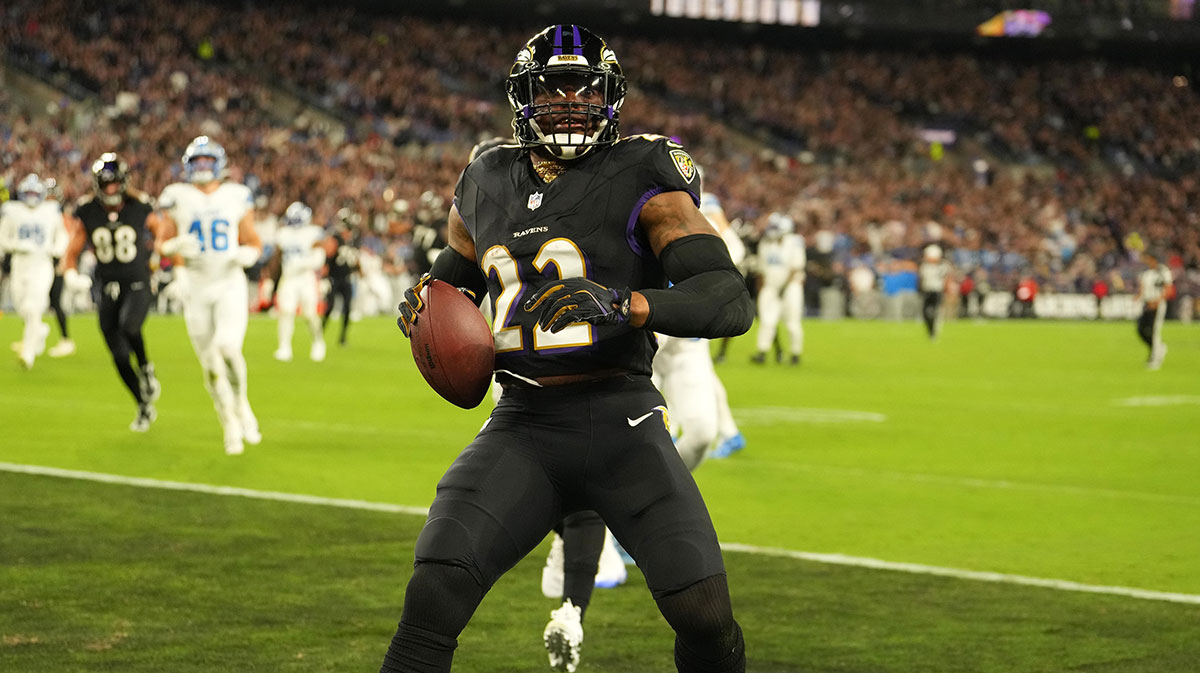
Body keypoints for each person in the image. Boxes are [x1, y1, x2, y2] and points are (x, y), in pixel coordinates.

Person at [385, 25, 752, 673]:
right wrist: (422, 304)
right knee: (433, 590)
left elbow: (727, 298)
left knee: (705, 617)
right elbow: (450, 281)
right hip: (523, 426)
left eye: (585, 90)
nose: (570, 102)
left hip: (623, 420)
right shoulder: (485, 178)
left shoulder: (644, 170)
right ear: (525, 97)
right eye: (553, 89)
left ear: (610, 98)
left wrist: (629, 303)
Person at [156, 136, 263, 455]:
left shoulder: (236, 195)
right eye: (197, 161)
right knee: (210, 365)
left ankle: (242, 403)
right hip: (196, 285)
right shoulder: (177, 196)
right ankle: (228, 424)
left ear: (219, 164)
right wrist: (172, 254)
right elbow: (162, 242)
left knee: (228, 347)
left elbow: (253, 241)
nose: (202, 167)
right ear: (188, 165)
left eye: (207, 161)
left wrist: (249, 255)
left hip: (228, 281)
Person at [64, 153, 164, 430]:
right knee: (119, 356)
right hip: (107, 286)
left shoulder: (139, 205)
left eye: (114, 183)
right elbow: (71, 251)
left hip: (137, 282)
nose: (110, 189)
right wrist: (71, 274)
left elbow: (162, 233)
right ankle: (143, 406)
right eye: (105, 183)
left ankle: (146, 368)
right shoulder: (88, 210)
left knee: (130, 327)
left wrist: (167, 261)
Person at [0, 174, 69, 370]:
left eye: (34, 192)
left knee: (33, 306)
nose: (31, 196)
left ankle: (28, 353)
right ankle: (39, 329)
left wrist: (56, 251)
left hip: (41, 263)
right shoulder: (12, 211)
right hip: (19, 262)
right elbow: (3, 238)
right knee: (21, 305)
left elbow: (62, 235)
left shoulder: (51, 211)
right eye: (27, 192)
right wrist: (18, 245)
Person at [271, 201, 327, 362]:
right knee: (286, 311)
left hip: (305, 277)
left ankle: (318, 342)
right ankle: (284, 347)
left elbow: (319, 259)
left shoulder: (313, 233)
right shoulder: (283, 233)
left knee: (309, 314)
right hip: (289, 278)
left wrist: (302, 264)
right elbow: (278, 257)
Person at [751, 212, 805, 365]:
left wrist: (784, 287)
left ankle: (795, 354)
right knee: (767, 321)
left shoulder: (795, 242)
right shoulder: (766, 243)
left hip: (791, 287)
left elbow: (796, 268)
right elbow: (761, 269)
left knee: (792, 322)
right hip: (771, 286)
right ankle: (762, 352)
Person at [321, 209, 360, 346]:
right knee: (330, 306)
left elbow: (354, 259)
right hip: (334, 278)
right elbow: (328, 255)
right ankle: (320, 332)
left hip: (347, 278)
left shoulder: (352, 239)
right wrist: (324, 277)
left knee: (347, 308)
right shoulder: (335, 237)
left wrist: (358, 270)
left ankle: (343, 337)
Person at [1136, 251, 1173, 370]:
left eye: (1148, 259)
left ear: (1153, 259)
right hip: (1147, 305)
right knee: (1141, 329)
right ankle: (1159, 348)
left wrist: (1158, 301)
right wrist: (1138, 298)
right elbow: (1142, 289)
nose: (1147, 261)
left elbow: (1169, 289)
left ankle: (1155, 359)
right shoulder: (1146, 273)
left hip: (1157, 305)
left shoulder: (1163, 271)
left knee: (1155, 331)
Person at [918, 243, 951, 340]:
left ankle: (934, 332)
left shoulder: (942, 266)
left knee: (936, 312)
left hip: (937, 291)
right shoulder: (924, 266)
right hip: (927, 290)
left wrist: (946, 289)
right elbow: (921, 279)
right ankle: (930, 331)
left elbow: (946, 279)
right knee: (925, 312)